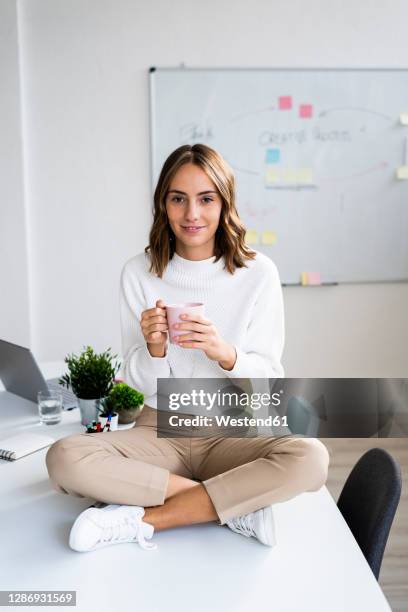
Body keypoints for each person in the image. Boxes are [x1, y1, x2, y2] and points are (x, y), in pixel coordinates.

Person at [46, 144, 329, 552]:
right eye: (178, 199)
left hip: (233, 430)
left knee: (310, 459)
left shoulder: (258, 274)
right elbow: (141, 386)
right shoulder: (138, 273)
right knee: (63, 458)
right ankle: (235, 504)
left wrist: (223, 352)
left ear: (224, 203)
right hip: (159, 427)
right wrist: (154, 350)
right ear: (164, 204)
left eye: (206, 199)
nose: (191, 214)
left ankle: (143, 519)